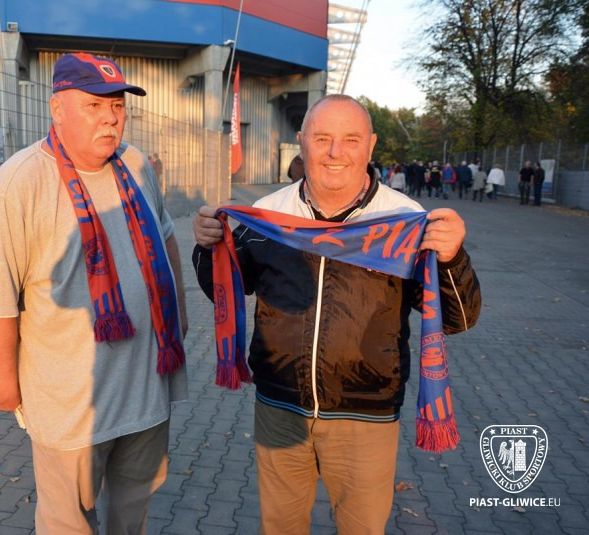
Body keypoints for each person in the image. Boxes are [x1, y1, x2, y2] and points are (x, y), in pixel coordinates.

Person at [191, 95, 481, 534]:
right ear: (302, 141)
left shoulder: (405, 220)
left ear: (371, 145)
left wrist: (452, 258)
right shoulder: (269, 214)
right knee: (279, 528)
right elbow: (229, 290)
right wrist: (208, 247)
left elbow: (458, 318)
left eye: (350, 139)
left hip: (365, 415)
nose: (334, 152)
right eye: (322, 138)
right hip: (280, 407)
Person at [0, 53, 189, 534]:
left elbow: (167, 233)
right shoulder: (19, 183)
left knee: (132, 517)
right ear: (57, 109)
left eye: (117, 106)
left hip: (146, 393)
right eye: (94, 105)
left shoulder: (135, 163)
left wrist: (179, 316)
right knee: (68, 524)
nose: (110, 118)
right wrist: (3, 385)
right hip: (71, 409)